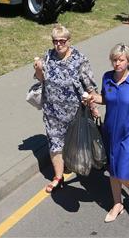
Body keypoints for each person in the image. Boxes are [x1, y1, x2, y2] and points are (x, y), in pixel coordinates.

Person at [87, 44, 129, 223]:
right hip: (110, 132)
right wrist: (93, 98)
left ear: (128, 61)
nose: (117, 63)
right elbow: (106, 99)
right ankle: (117, 204)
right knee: (112, 170)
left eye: (121, 60)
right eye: (114, 60)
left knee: (123, 173)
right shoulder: (107, 78)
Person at [33, 25, 97, 193]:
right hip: (52, 111)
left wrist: (93, 106)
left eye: (62, 41)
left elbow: (90, 86)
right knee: (55, 143)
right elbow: (41, 79)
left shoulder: (79, 59)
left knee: (74, 142)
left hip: (75, 112)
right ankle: (58, 177)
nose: (58, 45)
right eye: (55, 41)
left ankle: (74, 164)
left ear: (69, 41)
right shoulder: (48, 56)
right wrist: (39, 69)